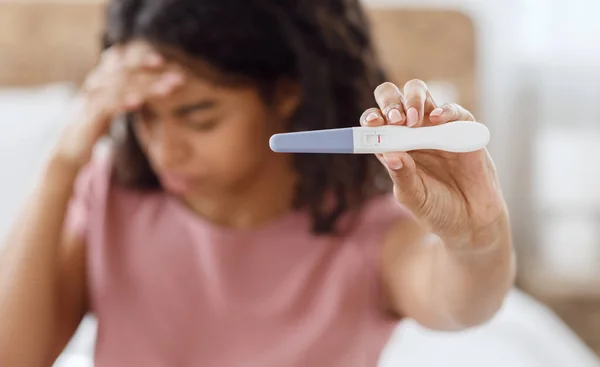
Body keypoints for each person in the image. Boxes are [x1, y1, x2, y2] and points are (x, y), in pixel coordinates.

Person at [0, 0, 515, 366]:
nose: (165, 149)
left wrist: (479, 237)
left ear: (288, 92)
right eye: (143, 117)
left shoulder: (371, 230)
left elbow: (465, 304)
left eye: (199, 116)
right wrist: (63, 162)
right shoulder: (110, 195)